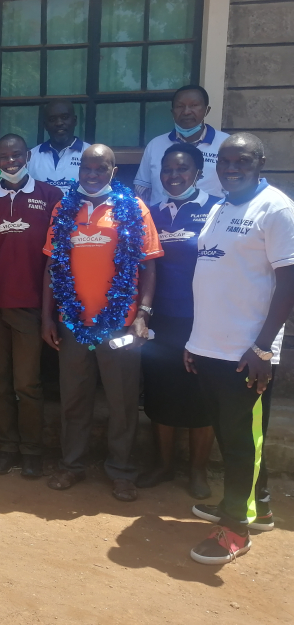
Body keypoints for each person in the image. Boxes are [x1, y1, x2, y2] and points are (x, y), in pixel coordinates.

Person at [184, 133, 294, 565]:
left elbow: (288, 282)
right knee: (234, 438)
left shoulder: (277, 209)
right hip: (211, 346)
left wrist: (263, 349)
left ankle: (235, 528)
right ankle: (257, 505)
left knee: (240, 442)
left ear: (260, 162)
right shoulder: (221, 205)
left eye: (242, 161)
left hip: (247, 354)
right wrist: (196, 342)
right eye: (225, 161)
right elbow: (214, 275)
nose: (231, 168)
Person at [41, 144, 163, 502]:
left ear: (113, 171)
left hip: (120, 326)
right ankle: (72, 464)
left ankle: (122, 471)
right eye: (87, 169)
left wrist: (142, 314)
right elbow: (51, 266)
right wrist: (47, 315)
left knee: (122, 401)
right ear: (80, 170)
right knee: (74, 398)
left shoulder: (132, 207)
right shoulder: (64, 209)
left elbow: (150, 265)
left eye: (101, 169)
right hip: (73, 323)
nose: (92, 175)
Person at [0, 134, 62, 479]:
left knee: (28, 384)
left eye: (17, 155)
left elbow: (57, 260)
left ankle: (32, 451)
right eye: (5, 156)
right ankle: (8, 447)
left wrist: (49, 312)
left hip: (30, 307)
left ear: (28, 156)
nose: (12, 161)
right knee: (0, 383)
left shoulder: (51, 197)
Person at [136, 143, 218, 498]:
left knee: (202, 395)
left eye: (181, 170)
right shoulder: (150, 213)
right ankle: (164, 465)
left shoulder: (217, 210)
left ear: (198, 173)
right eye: (166, 170)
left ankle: (197, 471)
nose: (172, 176)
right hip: (160, 318)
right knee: (162, 392)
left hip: (204, 320)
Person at [134, 85, 229, 203]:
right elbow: (142, 191)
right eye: (180, 106)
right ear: (172, 112)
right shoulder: (155, 145)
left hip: (209, 219)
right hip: (160, 219)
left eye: (194, 105)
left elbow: (234, 189)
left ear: (206, 110)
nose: (186, 112)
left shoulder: (226, 145)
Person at [28, 100, 90, 190]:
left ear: (74, 121)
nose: (59, 123)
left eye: (64, 117)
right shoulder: (31, 157)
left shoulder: (89, 153)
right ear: (45, 125)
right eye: (52, 119)